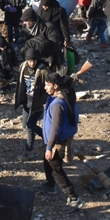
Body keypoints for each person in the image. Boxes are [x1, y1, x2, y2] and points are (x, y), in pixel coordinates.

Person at [40, 74, 82, 211]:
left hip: (57, 142)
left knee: (56, 168)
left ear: (55, 86)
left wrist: (49, 146)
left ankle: (74, 198)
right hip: (61, 140)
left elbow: (55, 128)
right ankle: (50, 185)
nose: (45, 87)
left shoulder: (58, 104)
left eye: (47, 85)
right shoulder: (65, 98)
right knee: (47, 162)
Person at [15, 49, 49, 154]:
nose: (32, 63)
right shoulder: (23, 67)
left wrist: (42, 101)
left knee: (30, 126)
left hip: (37, 103)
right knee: (25, 125)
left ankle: (29, 150)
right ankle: (45, 136)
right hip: (27, 101)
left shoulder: (43, 71)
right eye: (30, 60)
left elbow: (48, 88)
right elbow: (20, 83)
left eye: (34, 60)